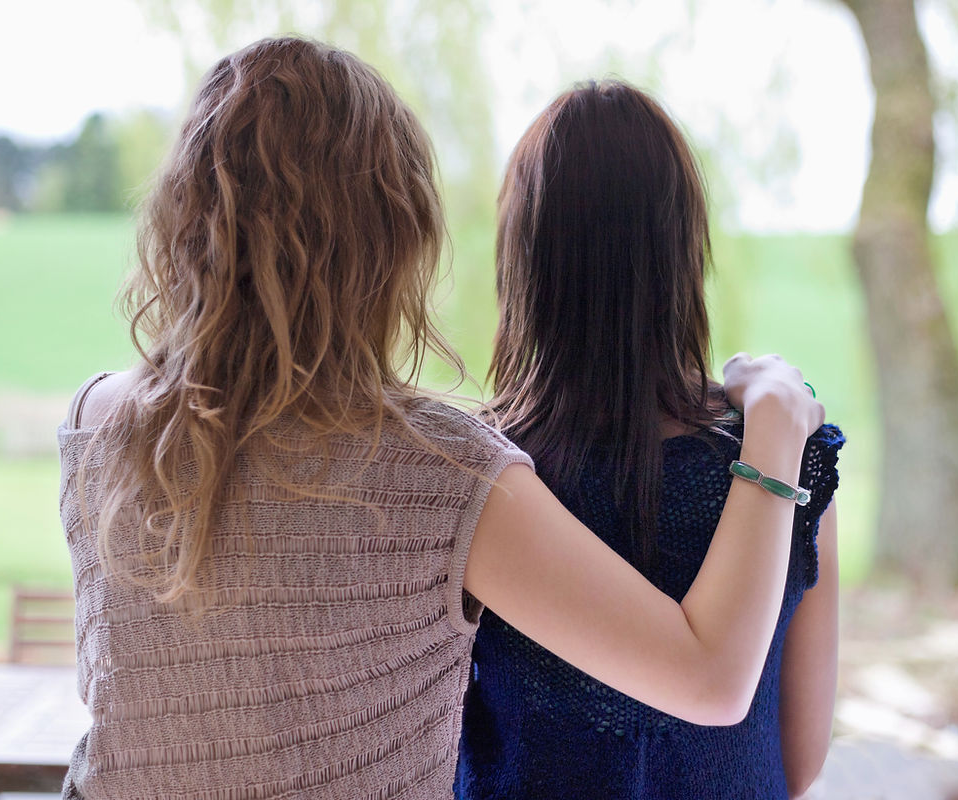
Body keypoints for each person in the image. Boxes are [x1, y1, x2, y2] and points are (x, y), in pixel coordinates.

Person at [58, 39, 824, 799]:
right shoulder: (443, 473)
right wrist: (779, 417)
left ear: (184, 213)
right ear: (392, 236)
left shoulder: (94, 424)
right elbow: (716, 684)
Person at [456, 80, 844, 800]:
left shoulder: (473, 475)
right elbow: (800, 759)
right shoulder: (789, 457)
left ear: (524, 258)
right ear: (684, 253)